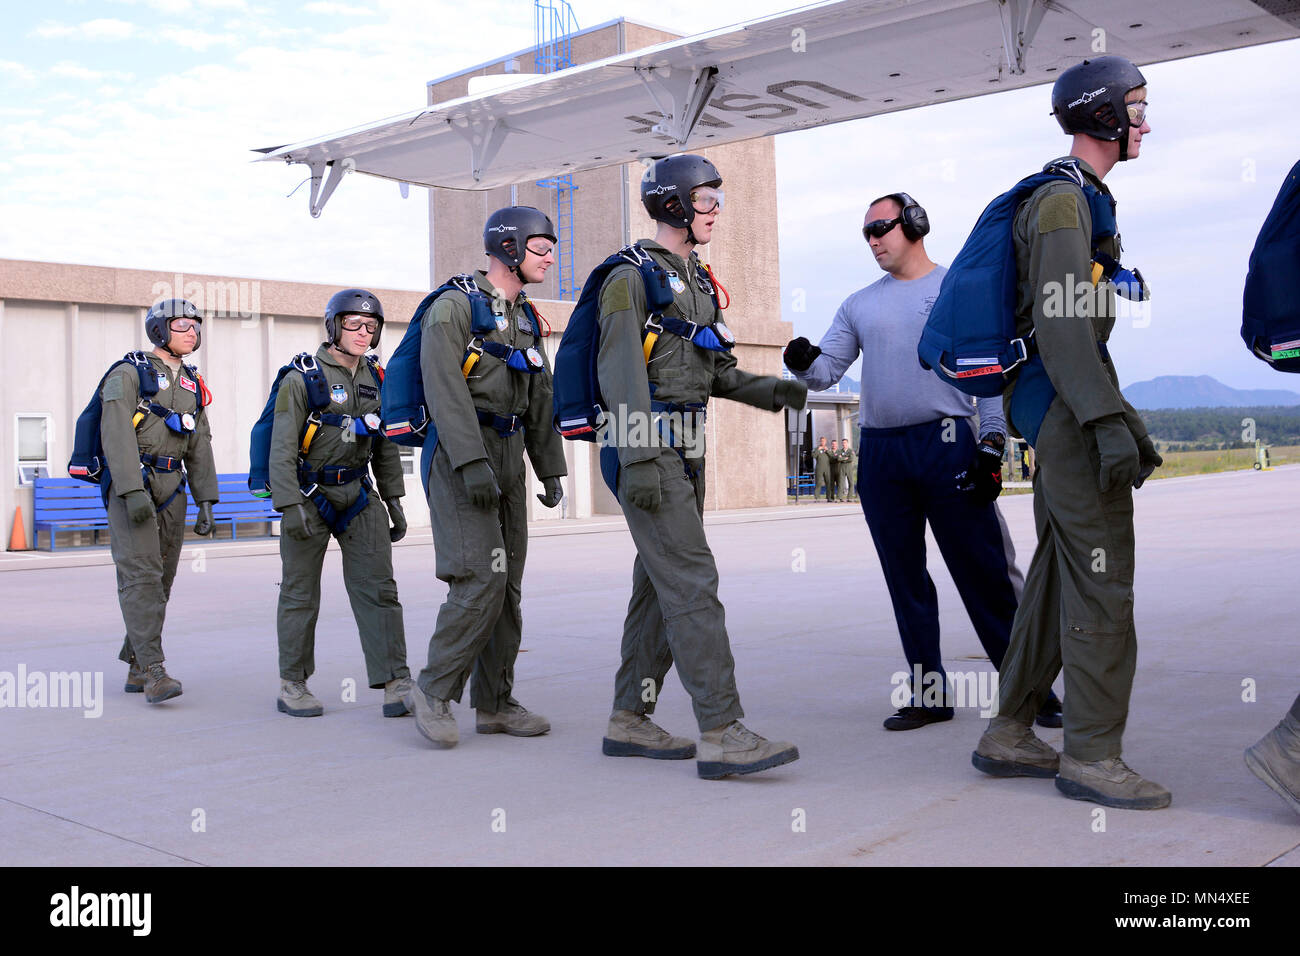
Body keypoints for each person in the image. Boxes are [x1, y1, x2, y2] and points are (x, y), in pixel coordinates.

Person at [969, 56, 1168, 809]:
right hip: (1061, 407)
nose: (1145, 122)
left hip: (1061, 403)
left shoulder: (1082, 200)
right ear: (1103, 114)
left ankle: (1010, 730)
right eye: (1137, 107)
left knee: (1057, 576)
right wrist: (1103, 420)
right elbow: (1059, 325)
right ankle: (1092, 756)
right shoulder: (1060, 204)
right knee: (1102, 579)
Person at [785, 192, 1061, 732]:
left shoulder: (958, 289)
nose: (873, 240)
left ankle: (1032, 690)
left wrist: (991, 443)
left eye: (882, 228)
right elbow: (826, 374)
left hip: (949, 444)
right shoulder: (859, 304)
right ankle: (929, 693)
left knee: (987, 576)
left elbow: (984, 371)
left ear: (914, 224)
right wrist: (803, 362)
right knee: (905, 579)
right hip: (883, 454)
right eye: (866, 233)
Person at [596, 153, 807, 778]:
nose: (715, 213)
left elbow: (712, 371)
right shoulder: (629, 278)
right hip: (648, 444)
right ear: (673, 205)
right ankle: (721, 730)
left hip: (687, 446)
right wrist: (635, 457)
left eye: (717, 202)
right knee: (691, 583)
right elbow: (621, 373)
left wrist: (778, 392)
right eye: (706, 201)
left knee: (659, 587)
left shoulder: (695, 281)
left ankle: (629, 719)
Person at [405, 206, 567, 749]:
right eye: (540, 247)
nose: (550, 256)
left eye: (551, 247)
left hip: (510, 454)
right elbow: (443, 388)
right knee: (480, 578)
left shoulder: (524, 317)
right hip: (458, 457)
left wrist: (549, 467)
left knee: (508, 587)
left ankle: (495, 703)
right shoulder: (453, 307)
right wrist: (471, 463)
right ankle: (431, 689)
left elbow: (539, 394)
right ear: (508, 249)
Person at [270, 289, 412, 719]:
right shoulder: (302, 378)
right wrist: (287, 504)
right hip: (308, 496)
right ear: (334, 326)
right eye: (353, 323)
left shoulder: (378, 379)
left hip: (359, 495)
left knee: (380, 589)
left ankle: (396, 682)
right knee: (299, 592)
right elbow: (281, 447)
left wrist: (394, 500)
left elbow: (385, 444)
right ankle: (293, 683)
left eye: (371, 326)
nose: (363, 332)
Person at [105, 299, 218, 703]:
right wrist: (132, 490)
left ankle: (137, 664)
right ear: (158, 330)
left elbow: (199, 441)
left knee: (163, 578)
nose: (192, 332)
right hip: (132, 484)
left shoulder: (192, 382)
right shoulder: (128, 374)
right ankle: (154, 671)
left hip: (174, 487)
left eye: (195, 327)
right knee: (141, 576)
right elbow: (115, 433)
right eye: (183, 325)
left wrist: (206, 498)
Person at [813, 436, 833, 502]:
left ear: (825, 442)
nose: (823, 442)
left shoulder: (828, 449)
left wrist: (827, 450)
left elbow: (832, 456)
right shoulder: (816, 449)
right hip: (819, 467)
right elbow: (813, 456)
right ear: (820, 441)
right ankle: (817, 497)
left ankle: (829, 497)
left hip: (827, 467)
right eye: (821, 441)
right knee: (818, 482)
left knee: (828, 482)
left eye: (824, 441)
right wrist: (819, 449)